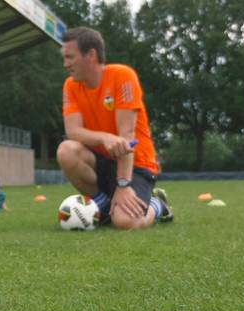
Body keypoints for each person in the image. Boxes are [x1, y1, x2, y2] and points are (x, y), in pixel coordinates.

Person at [55, 26, 172, 230]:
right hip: (102, 160)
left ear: (91, 55)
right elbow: (73, 131)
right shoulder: (71, 86)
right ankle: (104, 206)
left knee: (126, 222)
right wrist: (105, 138)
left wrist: (124, 185)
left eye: (70, 57)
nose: (65, 64)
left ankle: (158, 205)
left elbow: (126, 137)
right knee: (66, 150)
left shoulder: (122, 76)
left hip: (136, 163)